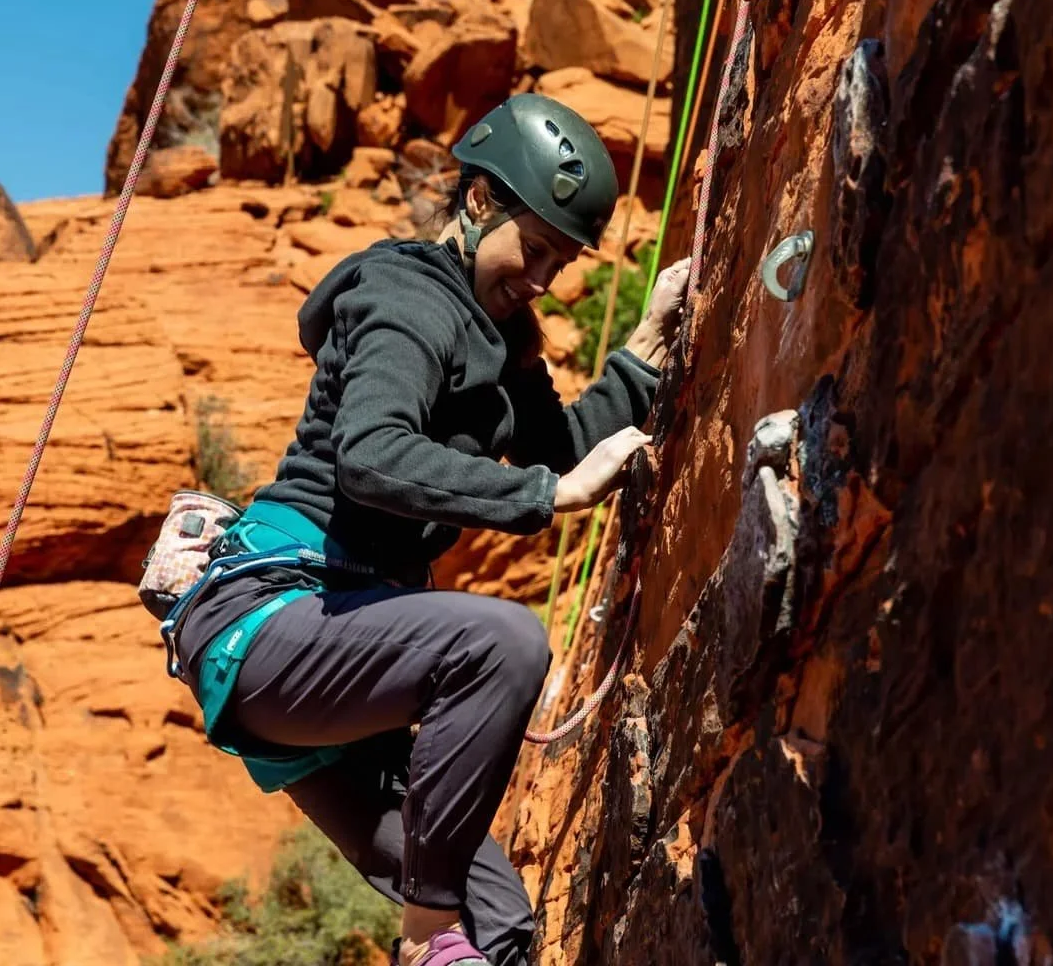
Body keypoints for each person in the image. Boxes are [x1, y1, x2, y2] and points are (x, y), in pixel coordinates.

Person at [174, 94, 692, 966]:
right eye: (534, 251)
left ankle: (444, 938)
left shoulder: (497, 334)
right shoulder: (406, 294)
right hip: (275, 615)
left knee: (501, 920)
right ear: (481, 200)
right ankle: (425, 944)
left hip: (335, 661)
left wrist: (641, 350)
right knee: (503, 645)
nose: (540, 280)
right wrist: (549, 495)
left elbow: (559, 440)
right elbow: (371, 453)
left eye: (560, 266)